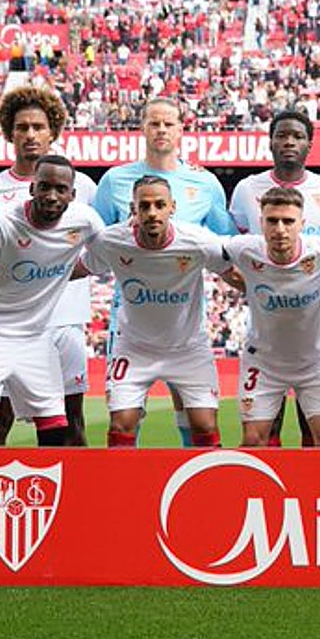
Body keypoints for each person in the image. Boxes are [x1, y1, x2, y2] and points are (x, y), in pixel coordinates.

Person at [92, 97, 235, 446]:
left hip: (186, 315)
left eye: (168, 123)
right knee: (126, 413)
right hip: (130, 314)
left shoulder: (205, 184)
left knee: (193, 411)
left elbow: (225, 243)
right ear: (142, 128)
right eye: (154, 123)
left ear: (181, 130)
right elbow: (96, 239)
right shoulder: (114, 180)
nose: (161, 130)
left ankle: (194, 485)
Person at [0, 84, 98, 445]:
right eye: (22, 127)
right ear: (10, 132)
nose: (30, 135)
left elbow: (99, 251)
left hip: (64, 320)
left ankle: (72, 501)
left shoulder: (82, 186)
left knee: (71, 424)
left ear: (53, 131)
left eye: (38, 127)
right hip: (7, 326)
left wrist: (54, 271)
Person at [76, 176, 231, 448]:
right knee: (121, 424)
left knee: (205, 426)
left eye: (160, 205)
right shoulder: (111, 240)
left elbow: (234, 273)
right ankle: (123, 489)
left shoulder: (198, 241)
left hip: (188, 347)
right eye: (144, 206)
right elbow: (78, 269)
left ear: (173, 207)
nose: (152, 213)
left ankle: (202, 487)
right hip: (134, 347)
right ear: (133, 209)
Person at [228, 108, 320, 444]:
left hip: (315, 327)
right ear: (270, 141)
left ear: (310, 144)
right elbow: (233, 253)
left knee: (319, 435)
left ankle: (316, 496)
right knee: (262, 435)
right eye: (282, 135)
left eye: (298, 136)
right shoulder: (247, 189)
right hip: (266, 331)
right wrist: (256, 284)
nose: (289, 141)